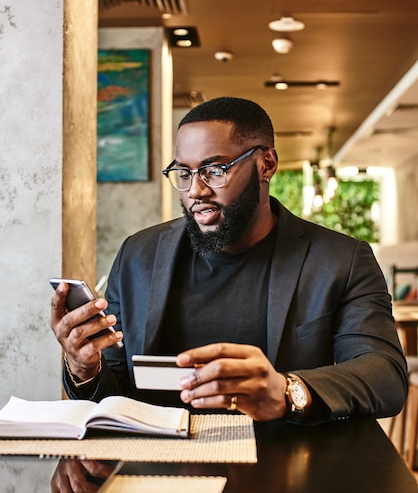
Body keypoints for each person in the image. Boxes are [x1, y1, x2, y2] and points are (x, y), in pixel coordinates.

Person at [51, 96, 407, 424]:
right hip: (159, 466)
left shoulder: (340, 260)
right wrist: (85, 368)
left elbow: (384, 375)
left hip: (283, 467)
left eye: (215, 170)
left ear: (266, 164)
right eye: (185, 173)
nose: (196, 191)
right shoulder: (139, 255)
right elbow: (115, 392)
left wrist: (286, 391)